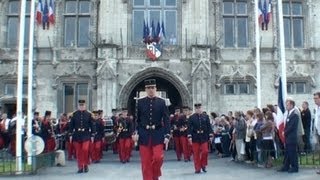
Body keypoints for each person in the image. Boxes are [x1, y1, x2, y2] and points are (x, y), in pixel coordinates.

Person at [136, 79, 170, 180]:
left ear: (156, 89)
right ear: (145, 89)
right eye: (148, 88)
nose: (151, 90)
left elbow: (166, 119)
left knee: (158, 158)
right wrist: (135, 132)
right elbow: (136, 119)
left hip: (158, 133)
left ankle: (155, 175)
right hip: (144, 134)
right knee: (145, 162)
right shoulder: (140, 102)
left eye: (152, 88)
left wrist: (167, 134)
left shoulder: (162, 102)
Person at [69, 100, 95, 173]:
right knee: (78, 152)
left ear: (85, 105)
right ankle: (80, 167)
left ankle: (85, 164)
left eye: (83, 105)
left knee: (85, 150)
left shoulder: (89, 114)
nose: (81, 106)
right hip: (77, 135)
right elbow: (71, 125)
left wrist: (93, 134)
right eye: (80, 105)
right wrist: (70, 134)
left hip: (86, 134)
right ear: (78, 106)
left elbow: (92, 124)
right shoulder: (74, 114)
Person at [188, 103, 213, 174]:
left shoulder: (206, 116)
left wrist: (210, 135)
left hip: (204, 136)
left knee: (205, 151)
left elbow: (209, 126)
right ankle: (197, 168)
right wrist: (189, 136)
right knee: (196, 154)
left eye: (199, 108)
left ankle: (203, 164)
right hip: (195, 136)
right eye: (197, 108)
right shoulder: (191, 117)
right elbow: (189, 128)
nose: (198, 109)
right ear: (195, 109)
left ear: (201, 108)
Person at [278, 98, 299, 173]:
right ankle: (286, 166)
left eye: (287, 105)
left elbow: (292, 126)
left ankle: (295, 167)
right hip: (288, 137)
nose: (286, 106)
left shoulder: (295, 114)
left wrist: (285, 132)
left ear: (292, 105)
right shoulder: (289, 114)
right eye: (286, 105)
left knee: (292, 153)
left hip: (291, 137)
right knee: (287, 152)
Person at [313, 92, 320, 175]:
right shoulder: (316, 108)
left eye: (316, 98)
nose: (315, 100)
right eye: (314, 98)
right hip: (318, 132)